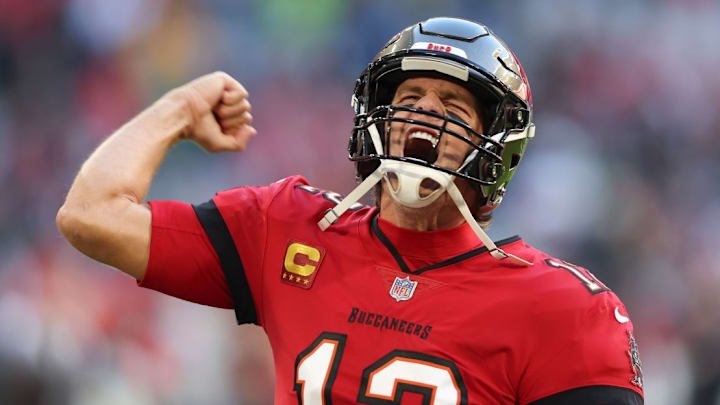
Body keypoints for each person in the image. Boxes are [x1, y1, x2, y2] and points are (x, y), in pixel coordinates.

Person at [57, 17, 644, 405]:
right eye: (407, 98)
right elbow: (90, 216)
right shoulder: (287, 227)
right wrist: (178, 109)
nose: (423, 114)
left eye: (453, 106)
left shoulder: (564, 308)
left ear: (497, 147)